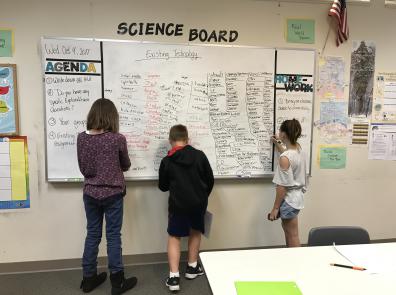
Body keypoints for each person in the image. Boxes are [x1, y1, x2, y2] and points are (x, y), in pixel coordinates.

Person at [77, 98, 137, 294]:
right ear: (112, 117)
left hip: (91, 193)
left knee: (92, 234)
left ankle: (88, 279)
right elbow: (125, 164)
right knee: (113, 237)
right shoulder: (117, 139)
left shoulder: (81, 138)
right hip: (113, 194)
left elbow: (84, 169)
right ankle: (117, 282)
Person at [158, 124, 214, 292]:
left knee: (174, 236)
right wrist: (202, 197)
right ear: (187, 139)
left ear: (170, 141)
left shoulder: (167, 160)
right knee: (195, 232)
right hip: (198, 204)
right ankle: (192, 267)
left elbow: (163, 186)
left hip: (177, 205)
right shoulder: (200, 156)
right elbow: (210, 180)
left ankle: (174, 277)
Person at [268, 119, 307, 247]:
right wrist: (277, 142)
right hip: (296, 198)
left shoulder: (285, 158)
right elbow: (286, 153)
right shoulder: (299, 150)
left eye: (280, 131)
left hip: (289, 200)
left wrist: (275, 208)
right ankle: (292, 260)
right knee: (291, 234)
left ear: (283, 134)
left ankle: (296, 263)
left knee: (292, 235)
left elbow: (282, 187)